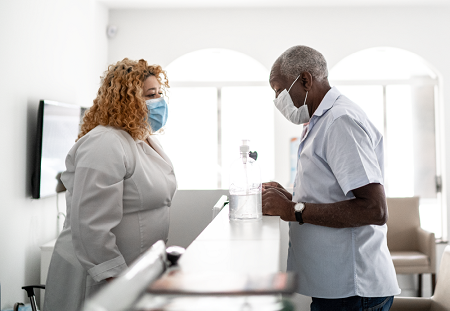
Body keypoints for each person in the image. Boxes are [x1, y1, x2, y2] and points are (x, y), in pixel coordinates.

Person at [262, 46, 400, 311]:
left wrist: (293, 210)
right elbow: (333, 195)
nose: (277, 99)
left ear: (305, 80)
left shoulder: (339, 121)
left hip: (353, 289)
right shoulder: (320, 122)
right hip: (338, 288)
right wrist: (291, 198)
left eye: (279, 90)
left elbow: (374, 209)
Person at [43, 58, 177, 311]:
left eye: (160, 93)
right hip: (100, 275)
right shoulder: (105, 142)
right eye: (151, 95)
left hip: (134, 272)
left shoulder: (141, 139)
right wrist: (115, 278)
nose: (160, 102)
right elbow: (91, 224)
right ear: (127, 99)